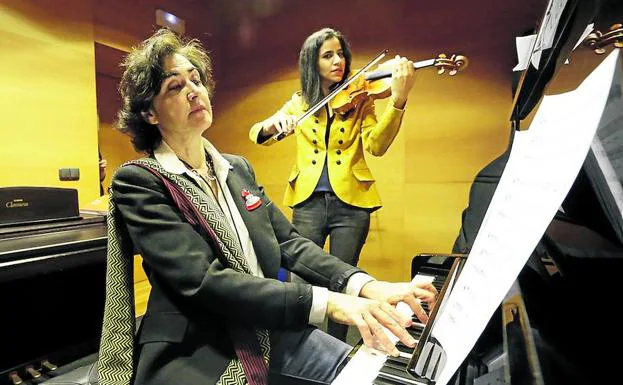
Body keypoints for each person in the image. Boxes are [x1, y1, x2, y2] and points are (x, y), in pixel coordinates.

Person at [97, 28, 436, 385]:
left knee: (373, 373)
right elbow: (204, 282)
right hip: (201, 344)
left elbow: (289, 242)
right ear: (150, 113)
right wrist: (331, 303)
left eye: (195, 79)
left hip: (267, 324)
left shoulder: (236, 168)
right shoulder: (140, 181)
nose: (193, 90)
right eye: (174, 87)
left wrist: (365, 286)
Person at [248, 27, 417, 341]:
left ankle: (337, 346)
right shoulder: (298, 103)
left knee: (344, 278)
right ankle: (300, 343)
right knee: (301, 279)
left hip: (351, 203)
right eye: (328, 55)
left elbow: (377, 146)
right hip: (308, 201)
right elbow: (257, 134)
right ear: (312, 63)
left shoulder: (361, 97)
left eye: (341, 54)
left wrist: (398, 100)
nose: (338, 60)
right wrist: (274, 123)